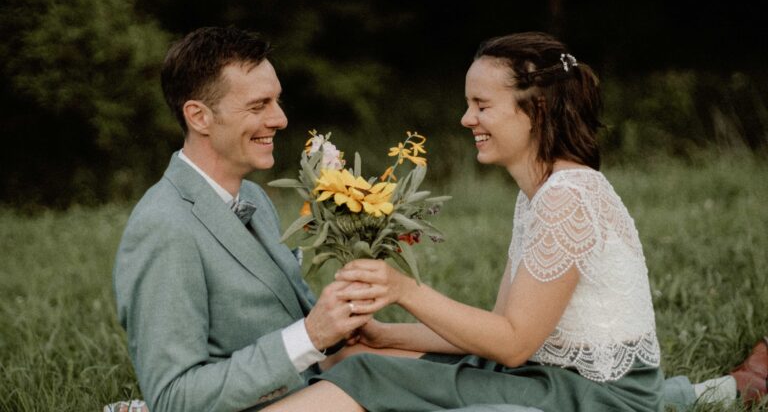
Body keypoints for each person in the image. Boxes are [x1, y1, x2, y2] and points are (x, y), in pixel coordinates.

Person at [261, 32, 768, 412]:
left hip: (598, 397)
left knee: (368, 375)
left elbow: (513, 343)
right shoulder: (540, 195)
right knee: (358, 359)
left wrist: (403, 289)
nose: (466, 119)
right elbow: (494, 334)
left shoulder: (567, 197)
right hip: (553, 376)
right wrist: (385, 334)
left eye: (481, 105)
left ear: (538, 109)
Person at [112, 27, 374, 412]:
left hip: (320, 389)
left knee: (454, 376)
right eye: (258, 106)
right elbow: (172, 398)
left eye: (277, 101)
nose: (280, 119)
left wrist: (344, 318)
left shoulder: (253, 197)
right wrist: (309, 335)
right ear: (199, 117)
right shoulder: (163, 226)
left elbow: (292, 322)